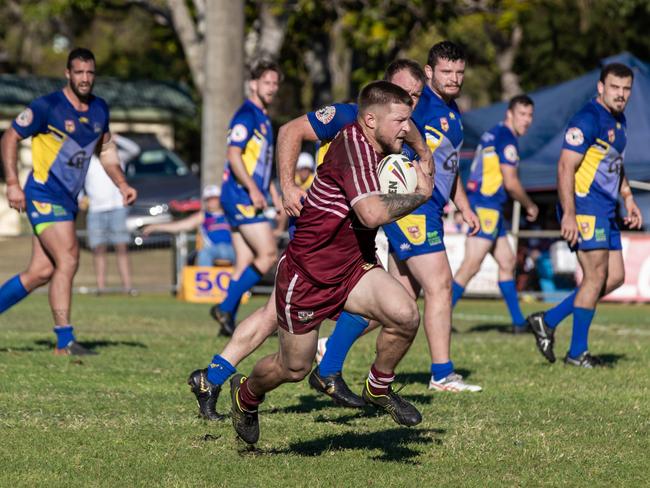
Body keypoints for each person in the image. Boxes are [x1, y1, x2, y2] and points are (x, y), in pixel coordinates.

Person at [187, 59, 432, 420]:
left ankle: (332, 373)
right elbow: (289, 132)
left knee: (400, 311)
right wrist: (286, 186)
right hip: (314, 241)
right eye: (405, 99)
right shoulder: (346, 120)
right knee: (287, 348)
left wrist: (424, 153)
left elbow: (410, 137)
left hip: (350, 252)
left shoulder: (397, 126)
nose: (410, 117)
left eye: (416, 99)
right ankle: (241, 379)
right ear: (381, 96)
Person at [314, 41, 483, 396]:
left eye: (459, 72)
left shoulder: (452, 113)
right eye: (446, 72)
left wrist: (463, 204)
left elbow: (445, 168)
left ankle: (329, 350)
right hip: (412, 209)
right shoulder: (419, 106)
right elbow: (387, 131)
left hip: (431, 209)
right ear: (429, 72)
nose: (453, 79)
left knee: (395, 303)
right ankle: (442, 373)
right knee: (441, 284)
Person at [0, 48, 137, 355]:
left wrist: (122, 184)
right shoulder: (47, 106)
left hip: (69, 200)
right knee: (69, 257)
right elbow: (9, 137)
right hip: (43, 194)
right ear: (68, 74)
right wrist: (12, 184)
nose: (85, 78)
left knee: (40, 272)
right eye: (79, 72)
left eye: (90, 73)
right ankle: (65, 340)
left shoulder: (100, 109)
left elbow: (106, 150)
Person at [527, 62, 642, 368]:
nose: (620, 94)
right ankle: (577, 353)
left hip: (607, 208)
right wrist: (569, 215)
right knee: (594, 277)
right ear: (601, 87)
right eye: (614, 87)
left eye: (626, 88)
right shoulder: (588, 119)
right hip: (586, 207)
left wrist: (628, 198)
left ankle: (548, 319)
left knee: (613, 277)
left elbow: (615, 165)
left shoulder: (619, 121)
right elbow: (565, 167)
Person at [450, 95, 539, 333]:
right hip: (486, 206)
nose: (527, 120)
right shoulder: (506, 139)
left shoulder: (494, 133)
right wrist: (529, 204)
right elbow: (511, 182)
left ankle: (519, 323)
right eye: (522, 114)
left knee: (507, 262)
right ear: (509, 114)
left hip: (490, 207)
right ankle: (441, 317)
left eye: (530, 115)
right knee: (471, 265)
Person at [209, 60, 283, 336]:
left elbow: (261, 161)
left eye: (275, 83)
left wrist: (271, 189)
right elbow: (233, 154)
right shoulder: (247, 114)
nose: (272, 88)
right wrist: (253, 188)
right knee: (267, 255)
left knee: (244, 260)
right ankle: (225, 306)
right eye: (266, 82)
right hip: (240, 195)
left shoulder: (263, 117)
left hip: (247, 194)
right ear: (253, 84)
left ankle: (227, 320)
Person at [83, 134, 139, 295]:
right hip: (95, 209)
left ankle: (128, 287)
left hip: (117, 208)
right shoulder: (88, 160)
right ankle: (101, 287)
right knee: (98, 249)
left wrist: (116, 138)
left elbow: (135, 150)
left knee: (121, 247)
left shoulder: (117, 156)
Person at [142, 184, 234, 266]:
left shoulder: (230, 214)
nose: (211, 202)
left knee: (243, 254)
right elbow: (180, 226)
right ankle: (204, 280)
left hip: (232, 249)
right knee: (204, 254)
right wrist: (155, 227)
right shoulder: (203, 216)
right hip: (212, 250)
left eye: (214, 198)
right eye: (208, 199)